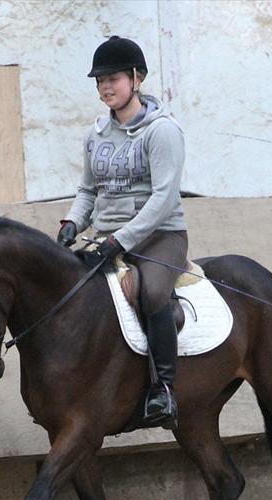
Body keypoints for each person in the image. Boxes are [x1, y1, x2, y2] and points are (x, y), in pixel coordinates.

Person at [57, 35, 187, 431]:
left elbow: (164, 198)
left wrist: (121, 240)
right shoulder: (95, 136)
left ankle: (163, 389)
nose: (105, 87)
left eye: (112, 78)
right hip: (106, 238)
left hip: (159, 237)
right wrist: (71, 224)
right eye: (99, 81)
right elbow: (88, 191)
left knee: (150, 293)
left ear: (137, 78)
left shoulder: (162, 131)